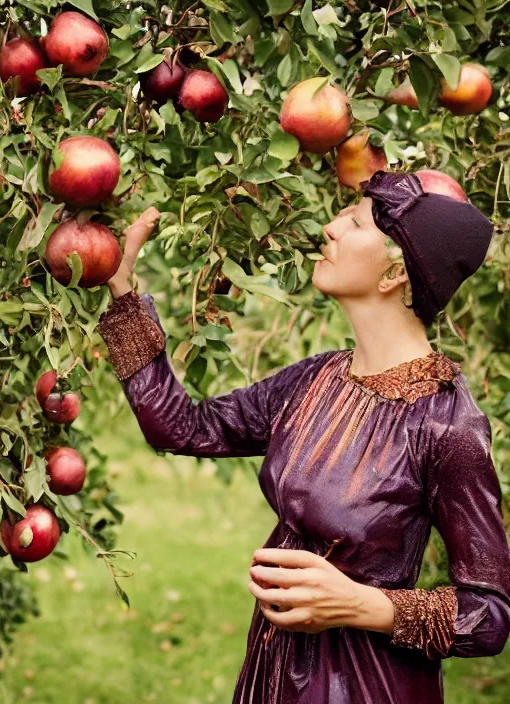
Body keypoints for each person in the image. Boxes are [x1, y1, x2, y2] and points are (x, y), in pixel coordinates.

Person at [95, 170, 510, 704]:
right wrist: (123, 289)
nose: (332, 228)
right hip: (274, 671)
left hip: (366, 686)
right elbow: (183, 427)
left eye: (356, 222)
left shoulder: (447, 424)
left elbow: (490, 615)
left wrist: (360, 604)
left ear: (394, 274)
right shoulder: (315, 379)